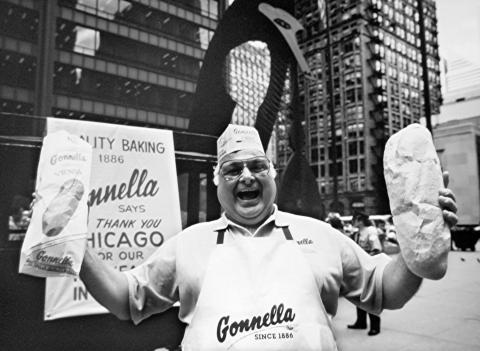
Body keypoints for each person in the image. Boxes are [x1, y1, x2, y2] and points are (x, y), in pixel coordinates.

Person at [79, 124, 458, 350]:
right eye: (232, 170)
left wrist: (421, 236)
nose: (246, 176)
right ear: (217, 184)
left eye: (257, 166)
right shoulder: (189, 243)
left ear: (272, 175)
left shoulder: (320, 235)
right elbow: (126, 299)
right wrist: (74, 245)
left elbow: (386, 290)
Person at [347, 212, 384, 336]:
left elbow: (377, 249)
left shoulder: (370, 231)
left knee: (370, 297)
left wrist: (366, 260)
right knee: (359, 296)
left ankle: (375, 326)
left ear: (360, 220)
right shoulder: (357, 233)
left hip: (369, 267)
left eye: (354, 219)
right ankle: (361, 322)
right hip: (359, 268)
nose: (352, 222)